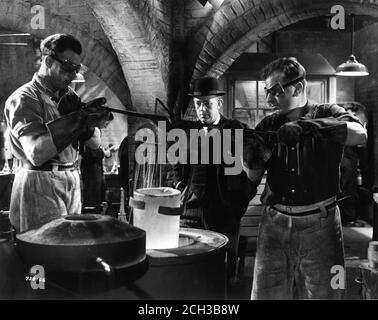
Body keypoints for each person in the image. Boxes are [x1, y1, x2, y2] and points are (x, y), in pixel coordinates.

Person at [242, 57, 367, 299]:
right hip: (274, 224)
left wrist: (310, 127)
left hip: (321, 225)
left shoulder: (329, 113)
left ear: (298, 87)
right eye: (267, 92)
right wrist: (250, 157)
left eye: (275, 92)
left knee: (328, 294)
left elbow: (360, 135)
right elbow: (253, 175)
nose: (269, 100)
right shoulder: (269, 123)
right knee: (265, 295)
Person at [4, 33, 112, 232]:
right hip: (40, 182)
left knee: (69, 249)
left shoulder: (68, 96)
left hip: (70, 178)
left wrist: (86, 122)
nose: (72, 75)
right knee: (46, 251)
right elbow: (36, 153)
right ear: (48, 61)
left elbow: (95, 144)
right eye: (67, 67)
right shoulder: (25, 99)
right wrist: (75, 120)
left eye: (76, 69)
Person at [173, 76, 258, 284]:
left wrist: (240, 200)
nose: (202, 109)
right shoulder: (187, 131)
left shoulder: (236, 129)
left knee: (222, 272)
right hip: (191, 210)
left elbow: (255, 163)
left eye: (207, 104)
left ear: (218, 103)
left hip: (224, 211)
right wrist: (183, 190)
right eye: (198, 104)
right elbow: (178, 167)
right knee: (190, 268)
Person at [338, 102, 369, 226]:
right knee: (347, 187)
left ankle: (348, 216)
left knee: (348, 186)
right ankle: (348, 217)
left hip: (348, 157)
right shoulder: (346, 121)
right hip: (346, 157)